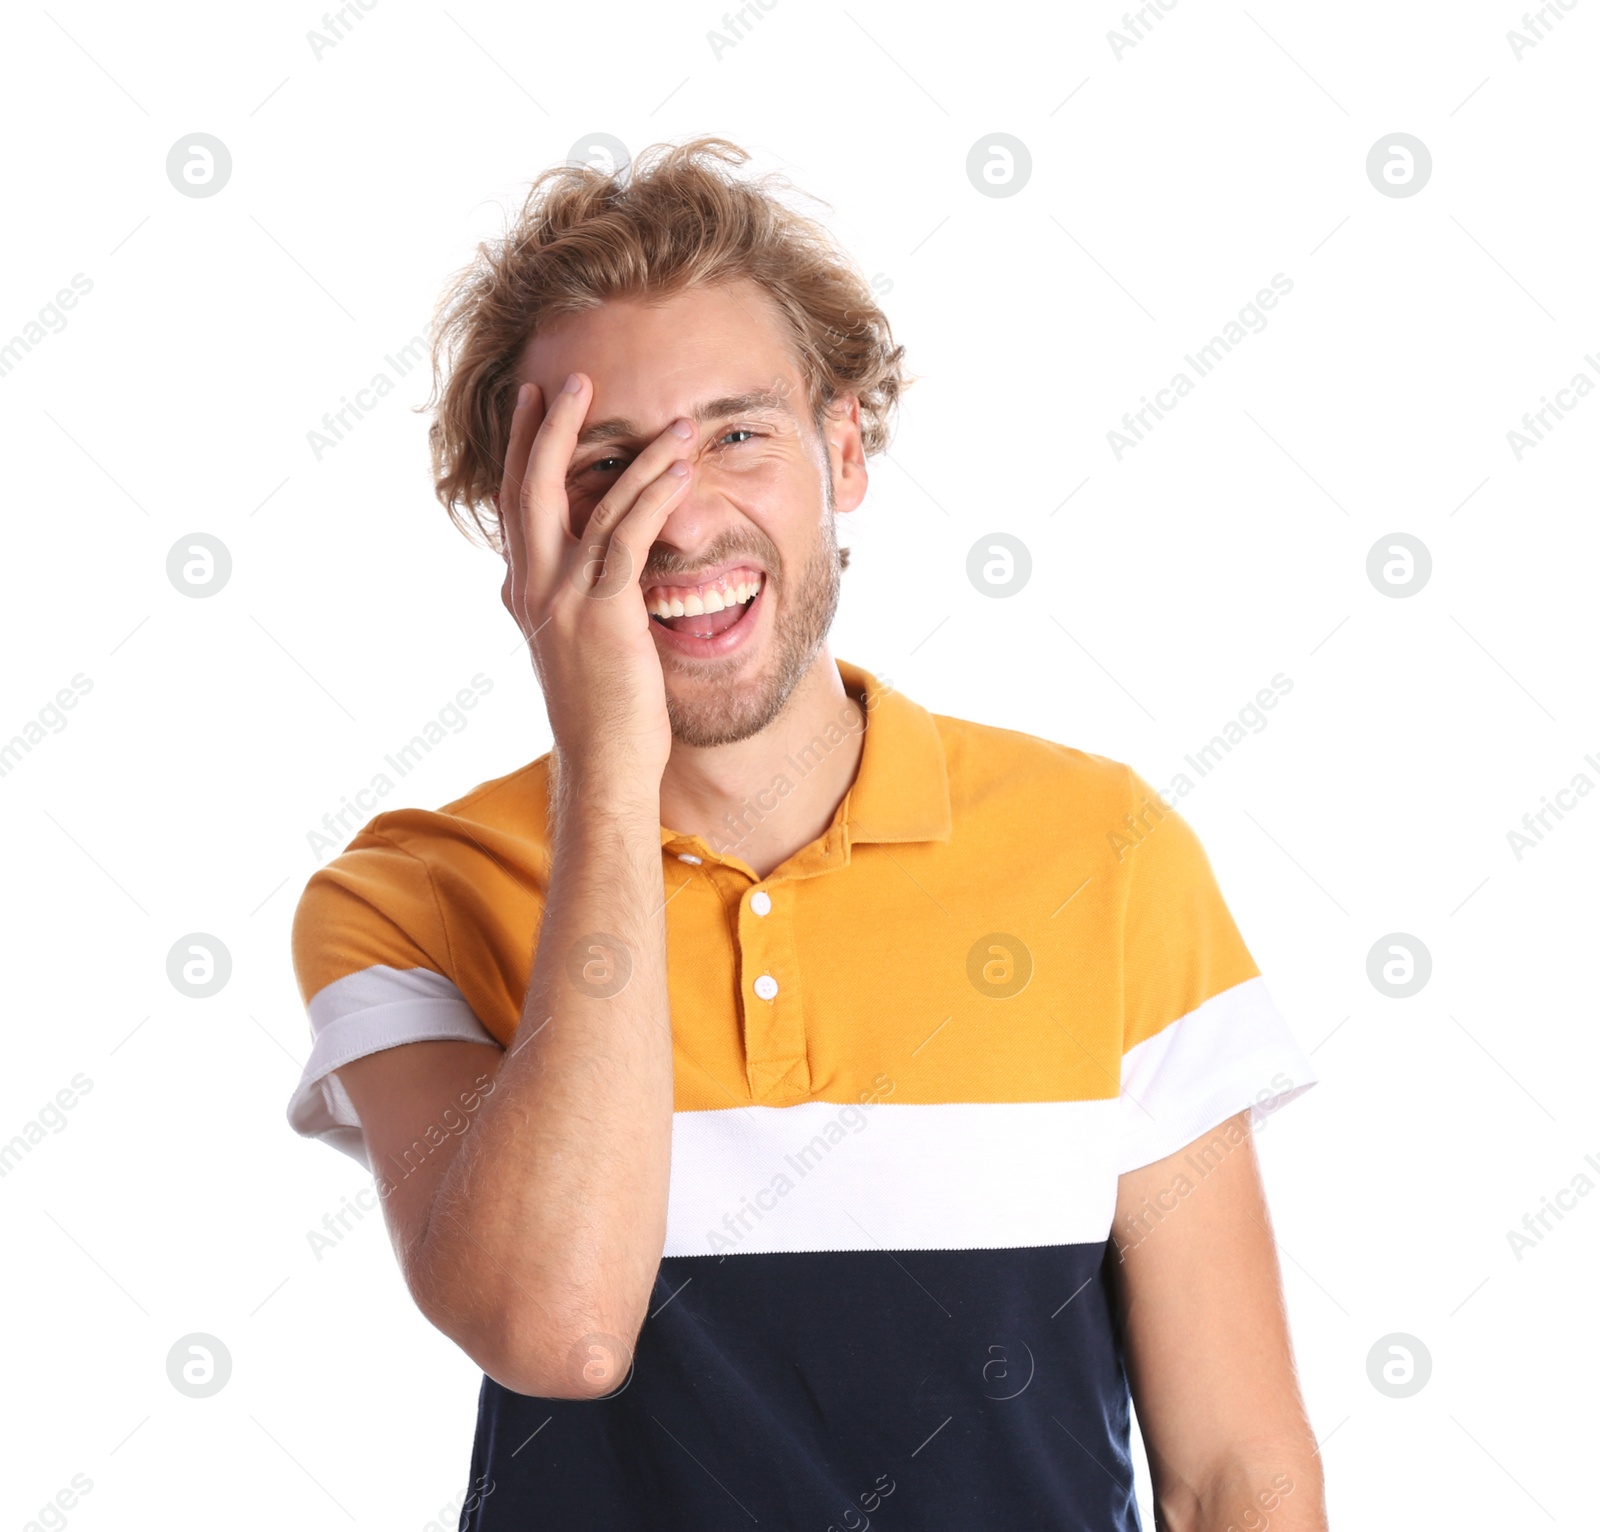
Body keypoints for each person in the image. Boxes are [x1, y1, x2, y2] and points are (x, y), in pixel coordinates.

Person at [286, 136, 1327, 1531]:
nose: (680, 518)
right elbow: (563, 1333)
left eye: (735, 435)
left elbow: (1233, 1475)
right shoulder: (409, 898)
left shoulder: (1105, 853)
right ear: (513, 518)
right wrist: (607, 777)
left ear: (842, 446)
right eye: (605, 462)